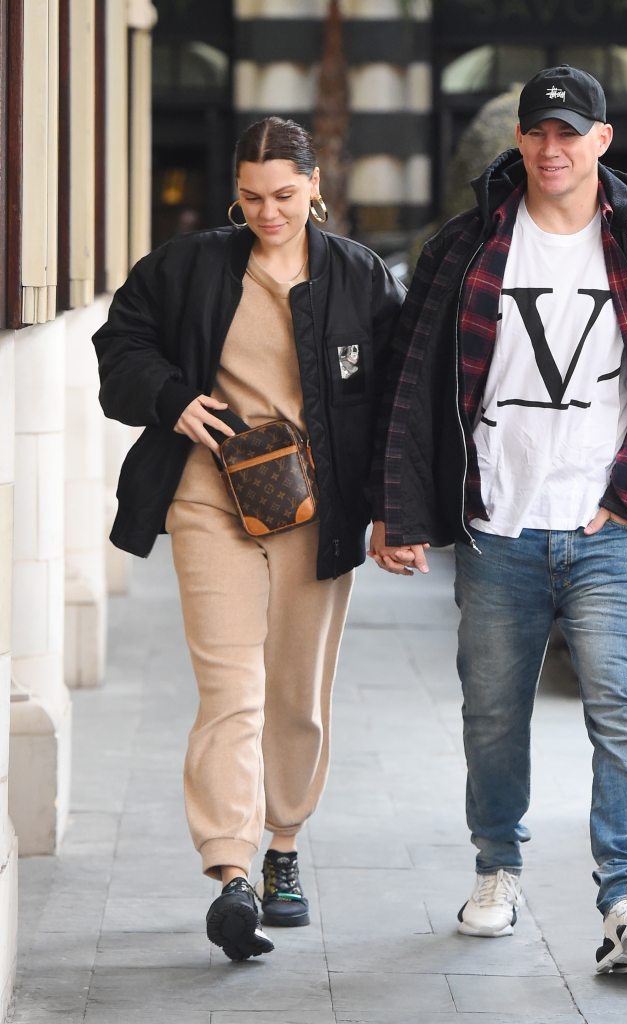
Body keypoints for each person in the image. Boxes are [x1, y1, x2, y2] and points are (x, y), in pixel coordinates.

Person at [368, 66, 627, 974]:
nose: (551, 148)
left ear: (603, 139)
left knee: (620, 708)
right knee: (493, 715)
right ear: (520, 140)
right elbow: (412, 386)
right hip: (499, 529)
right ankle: (497, 870)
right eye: (538, 132)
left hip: (611, 530)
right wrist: (401, 512)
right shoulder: (466, 248)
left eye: (570, 132)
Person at [94, 117, 404, 961]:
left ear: (314, 187)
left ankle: (284, 847)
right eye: (253, 197)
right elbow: (120, 341)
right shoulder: (189, 266)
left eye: (285, 196)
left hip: (316, 509)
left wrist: (394, 512)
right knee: (230, 688)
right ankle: (231, 871)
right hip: (209, 497)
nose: (269, 213)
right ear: (236, 191)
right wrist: (170, 399)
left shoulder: (360, 278)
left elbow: (395, 400)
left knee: (296, 691)